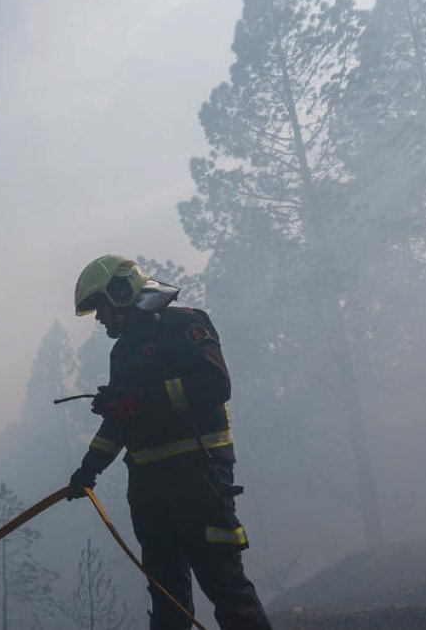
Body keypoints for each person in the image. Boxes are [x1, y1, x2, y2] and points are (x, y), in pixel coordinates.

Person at [67, 255, 273, 630]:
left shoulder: (184, 324)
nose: (98, 319)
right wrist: (88, 470)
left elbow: (216, 385)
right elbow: (120, 424)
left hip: (199, 477)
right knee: (166, 594)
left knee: (224, 585)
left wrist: (139, 399)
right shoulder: (123, 350)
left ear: (121, 292)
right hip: (149, 488)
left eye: (100, 308)